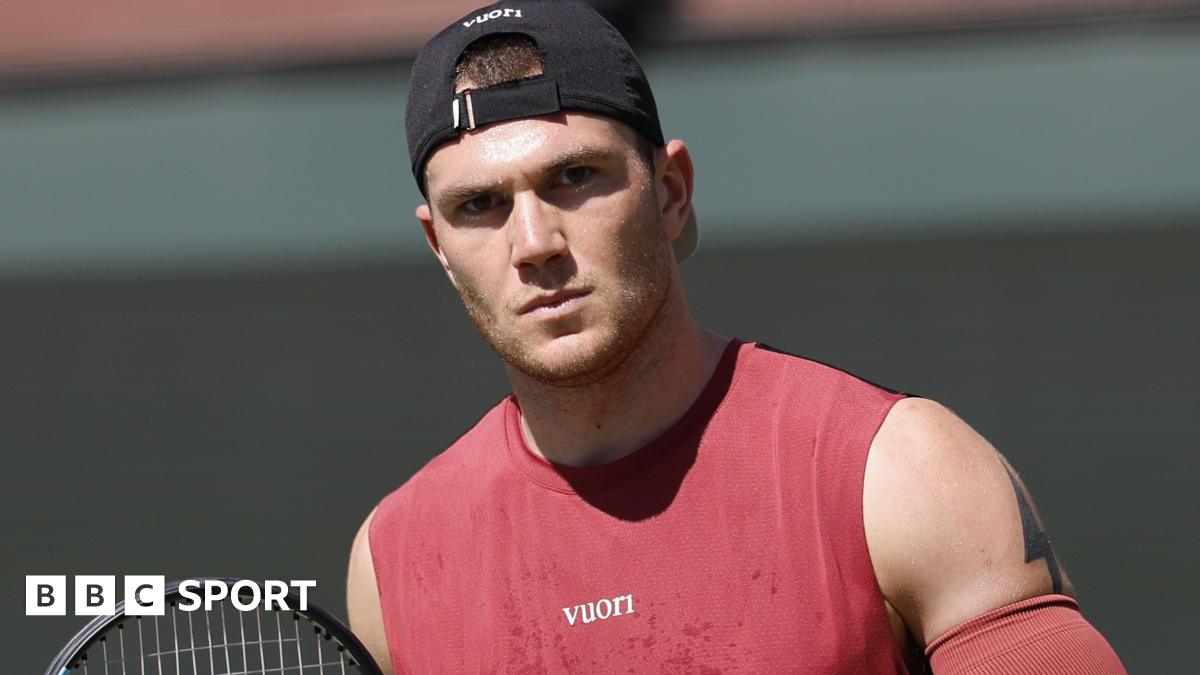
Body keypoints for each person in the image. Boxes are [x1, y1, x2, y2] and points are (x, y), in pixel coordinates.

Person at [346, 1, 1126, 672]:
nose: (534, 242)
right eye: (480, 204)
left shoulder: (899, 471)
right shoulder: (395, 561)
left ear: (672, 193)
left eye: (575, 177)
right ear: (439, 248)